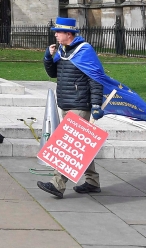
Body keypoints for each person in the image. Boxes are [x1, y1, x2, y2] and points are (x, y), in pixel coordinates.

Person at [37, 17, 104, 199]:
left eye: (58, 32)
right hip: (66, 103)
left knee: (69, 146)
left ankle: (57, 184)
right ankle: (92, 182)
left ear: (68, 33)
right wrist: (47, 57)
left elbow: (96, 78)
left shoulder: (85, 51)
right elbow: (53, 74)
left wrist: (96, 104)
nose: (56, 35)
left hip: (80, 105)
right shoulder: (62, 51)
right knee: (79, 145)